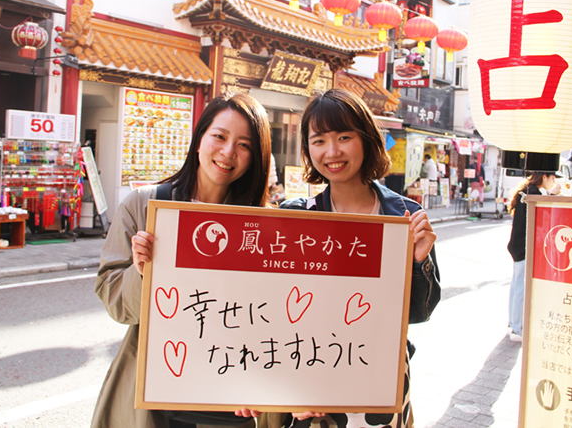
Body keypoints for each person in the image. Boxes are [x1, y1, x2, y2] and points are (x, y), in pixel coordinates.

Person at [92, 92, 272, 428]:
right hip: (158, 397)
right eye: (219, 136)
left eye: (245, 145)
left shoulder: (263, 225)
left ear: (256, 157)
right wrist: (142, 273)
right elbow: (114, 300)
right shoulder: (144, 206)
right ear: (199, 137)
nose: (229, 151)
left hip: (233, 402)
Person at [273, 88, 441, 428]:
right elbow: (273, 311)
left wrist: (418, 264)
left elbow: (418, 314)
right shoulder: (295, 217)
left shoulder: (405, 216)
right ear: (307, 148)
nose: (331, 152)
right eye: (318, 140)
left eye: (344, 137)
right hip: (312, 383)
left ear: (366, 139)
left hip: (379, 382)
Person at [506, 171, 560, 342]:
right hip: (524, 246)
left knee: (517, 286)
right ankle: (517, 328)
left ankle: (514, 323)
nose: (553, 182)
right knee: (521, 287)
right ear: (544, 177)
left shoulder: (527, 191)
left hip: (517, 245)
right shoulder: (533, 194)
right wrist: (551, 195)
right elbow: (541, 216)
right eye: (552, 178)